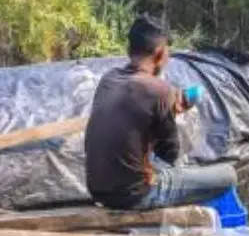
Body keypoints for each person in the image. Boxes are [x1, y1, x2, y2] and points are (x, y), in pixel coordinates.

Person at [85, 15, 236, 210]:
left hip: (97, 191)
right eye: (167, 52)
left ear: (129, 50)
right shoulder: (159, 90)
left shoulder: (109, 79)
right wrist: (171, 111)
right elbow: (170, 154)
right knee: (228, 175)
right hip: (133, 195)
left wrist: (164, 110)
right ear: (159, 54)